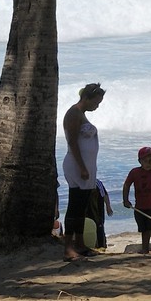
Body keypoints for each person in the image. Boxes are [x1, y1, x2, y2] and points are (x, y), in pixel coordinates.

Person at [61, 82, 105, 261]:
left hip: (86, 168)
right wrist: (82, 167)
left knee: (82, 207)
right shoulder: (73, 114)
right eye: (96, 102)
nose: (97, 106)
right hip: (77, 166)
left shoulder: (81, 114)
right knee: (74, 206)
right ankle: (68, 248)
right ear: (87, 98)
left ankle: (80, 244)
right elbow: (72, 142)